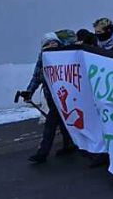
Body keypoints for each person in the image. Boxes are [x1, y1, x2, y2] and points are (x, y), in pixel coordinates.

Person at [22, 32, 79, 164]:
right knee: (63, 122)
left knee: (51, 125)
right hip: (54, 98)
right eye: (49, 43)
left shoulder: (64, 56)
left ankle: (42, 153)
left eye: (54, 42)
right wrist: (29, 91)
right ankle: (68, 145)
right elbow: (37, 77)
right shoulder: (43, 59)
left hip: (64, 97)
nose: (52, 45)